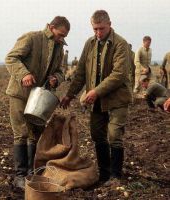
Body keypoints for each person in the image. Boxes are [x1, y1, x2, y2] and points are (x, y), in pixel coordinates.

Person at [60, 10, 132, 185]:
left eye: (101, 28)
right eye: (95, 29)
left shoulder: (120, 44)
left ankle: (115, 176)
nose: (98, 33)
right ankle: (104, 173)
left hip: (117, 98)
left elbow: (119, 74)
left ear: (109, 24)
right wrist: (70, 95)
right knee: (97, 134)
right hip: (97, 100)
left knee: (114, 134)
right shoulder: (90, 44)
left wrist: (96, 91)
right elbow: (81, 73)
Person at [5, 16, 70, 188]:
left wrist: (56, 78)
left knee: (35, 132)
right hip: (20, 93)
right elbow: (11, 58)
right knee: (21, 132)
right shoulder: (31, 38)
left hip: (39, 96)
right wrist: (24, 74)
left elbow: (61, 71)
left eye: (64, 36)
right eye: (60, 34)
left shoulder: (59, 48)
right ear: (51, 27)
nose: (61, 38)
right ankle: (20, 175)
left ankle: (31, 173)